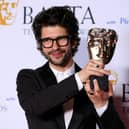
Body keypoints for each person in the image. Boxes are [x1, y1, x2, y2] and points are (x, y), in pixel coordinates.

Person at [16, 6, 125, 129]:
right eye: (47, 40)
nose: (55, 47)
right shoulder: (29, 77)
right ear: (40, 44)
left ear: (73, 41)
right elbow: (36, 106)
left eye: (61, 39)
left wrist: (102, 106)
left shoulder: (94, 81)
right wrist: (79, 78)